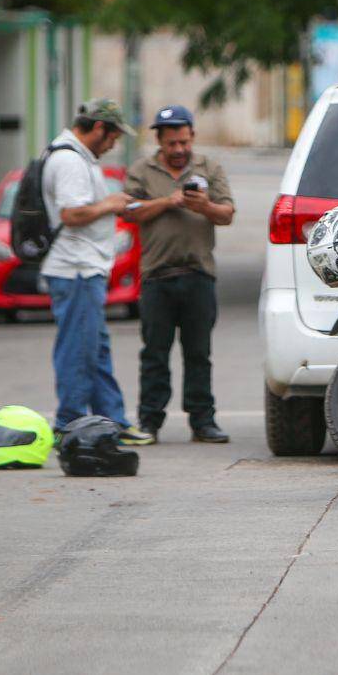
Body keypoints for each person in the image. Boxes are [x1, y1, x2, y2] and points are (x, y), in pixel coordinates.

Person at [42, 99, 153, 444]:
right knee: (78, 349)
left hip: (86, 268)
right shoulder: (69, 160)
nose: (113, 145)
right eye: (112, 137)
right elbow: (71, 214)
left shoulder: (78, 157)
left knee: (96, 347)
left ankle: (111, 421)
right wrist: (113, 203)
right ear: (99, 128)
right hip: (75, 268)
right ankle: (70, 424)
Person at [123, 105, 235, 443]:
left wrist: (205, 207)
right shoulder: (142, 170)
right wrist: (169, 202)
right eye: (172, 144)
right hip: (157, 276)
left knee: (198, 353)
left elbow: (227, 213)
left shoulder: (209, 167)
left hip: (199, 274)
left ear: (192, 138)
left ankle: (203, 421)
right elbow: (129, 211)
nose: (179, 150)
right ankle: (149, 422)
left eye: (184, 142)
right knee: (154, 353)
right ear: (159, 140)